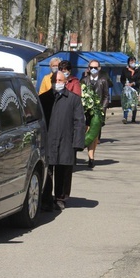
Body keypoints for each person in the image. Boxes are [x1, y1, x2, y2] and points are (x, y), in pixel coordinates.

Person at [39, 71, 86, 211]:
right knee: (47, 171)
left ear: (66, 82)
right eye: (54, 80)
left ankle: (60, 198)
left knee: (63, 170)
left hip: (66, 140)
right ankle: (46, 199)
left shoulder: (73, 99)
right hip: (48, 140)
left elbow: (79, 122)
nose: (56, 83)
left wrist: (78, 143)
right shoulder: (43, 98)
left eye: (59, 80)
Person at [80, 59, 110, 168]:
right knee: (86, 131)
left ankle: (91, 157)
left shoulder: (103, 80)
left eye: (95, 67)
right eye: (91, 67)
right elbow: (81, 93)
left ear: (99, 68)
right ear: (88, 68)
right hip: (86, 111)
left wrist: (102, 109)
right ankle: (81, 149)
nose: (93, 69)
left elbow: (106, 96)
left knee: (94, 134)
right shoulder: (84, 80)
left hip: (98, 112)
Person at [120, 56, 140, 123]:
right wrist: (125, 84)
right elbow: (122, 79)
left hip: (135, 89)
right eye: (131, 62)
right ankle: (125, 117)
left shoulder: (138, 71)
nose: (132, 63)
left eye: (134, 62)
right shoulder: (125, 70)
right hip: (126, 89)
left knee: (134, 103)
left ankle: (133, 118)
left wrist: (134, 83)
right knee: (126, 103)